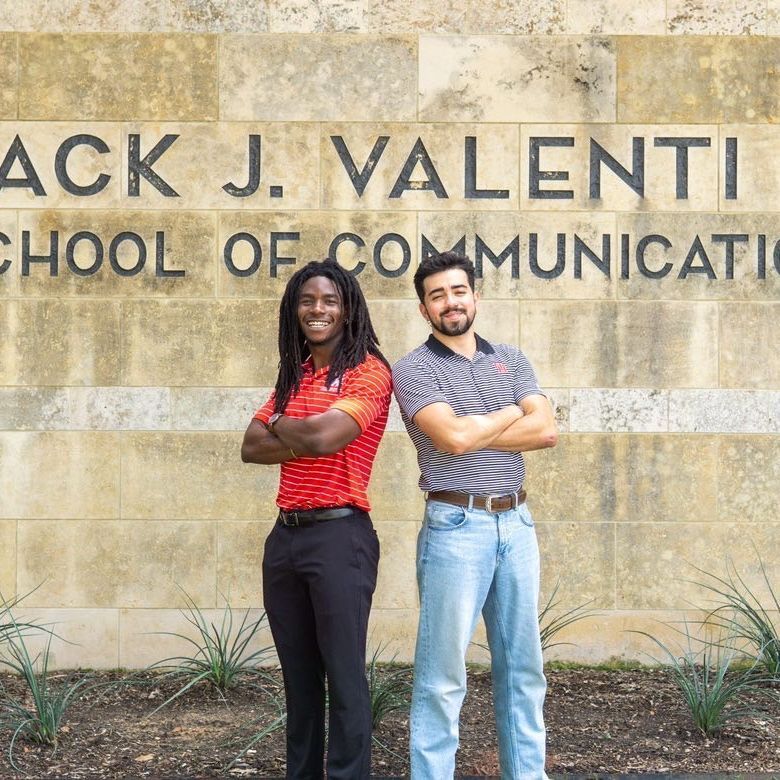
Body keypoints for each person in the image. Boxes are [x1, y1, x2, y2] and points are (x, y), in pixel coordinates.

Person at [392, 251, 558, 780]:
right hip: (455, 527)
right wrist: (515, 411)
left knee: (524, 672)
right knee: (443, 677)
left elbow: (547, 432)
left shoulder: (511, 358)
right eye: (437, 295)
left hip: (516, 523)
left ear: (475, 296)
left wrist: (476, 426)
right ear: (424, 309)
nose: (450, 302)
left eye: (458, 291)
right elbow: (453, 438)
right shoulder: (413, 368)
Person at [241, 258, 392, 780]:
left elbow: (327, 437)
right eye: (307, 300)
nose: (318, 309)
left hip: (340, 536)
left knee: (344, 679)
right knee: (300, 682)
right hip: (285, 539)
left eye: (329, 300)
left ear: (347, 308)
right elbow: (250, 447)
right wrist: (299, 429)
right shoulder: (295, 372)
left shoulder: (369, 371)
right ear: (294, 309)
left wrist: (281, 423)